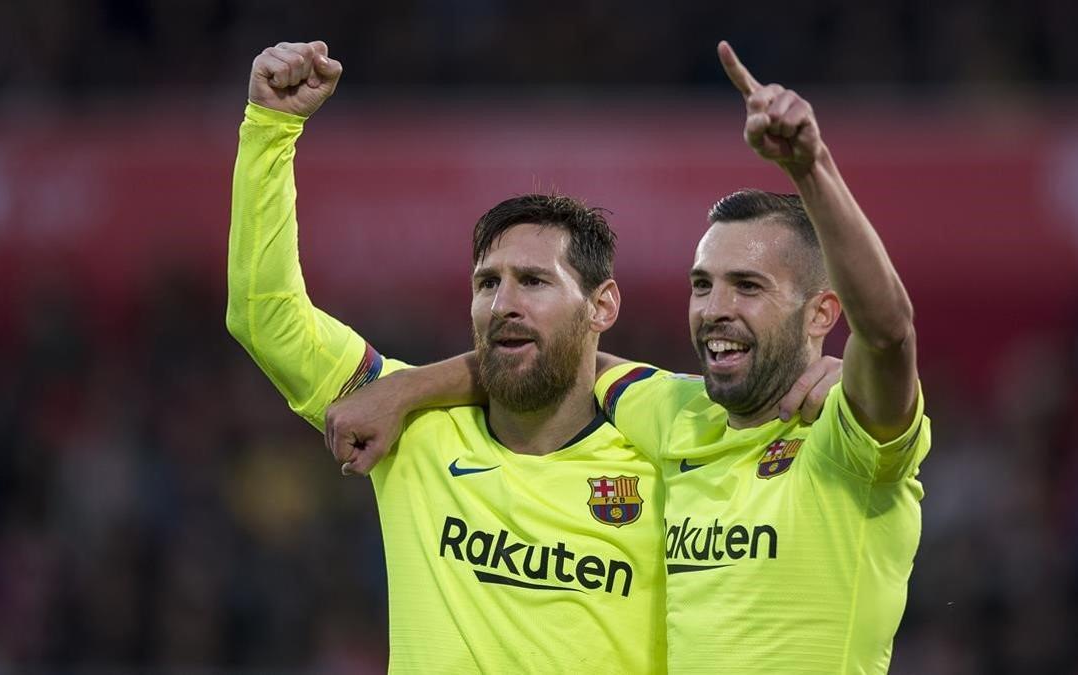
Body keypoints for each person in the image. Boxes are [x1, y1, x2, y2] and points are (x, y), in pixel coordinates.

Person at [326, 41, 930, 673]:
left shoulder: (845, 440)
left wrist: (812, 170)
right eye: (702, 285)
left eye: (747, 287)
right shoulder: (674, 414)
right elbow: (561, 359)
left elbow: (888, 334)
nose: (714, 308)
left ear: (822, 315)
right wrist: (408, 388)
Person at [226, 39, 676, 672]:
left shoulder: (669, 461)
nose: (503, 304)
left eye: (535, 281)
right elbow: (264, 314)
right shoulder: (410, 430)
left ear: (603, 306)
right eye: (488, 283)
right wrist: (270, 129)